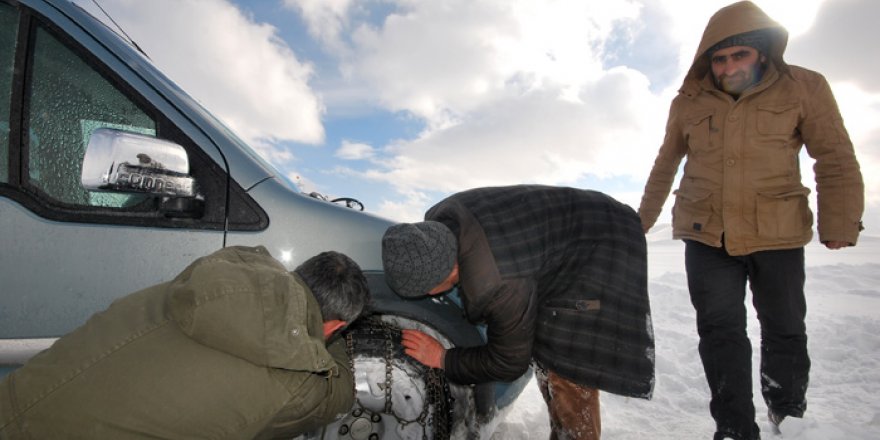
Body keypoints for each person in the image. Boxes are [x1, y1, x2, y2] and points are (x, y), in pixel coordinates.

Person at [638, 2, 864, 439]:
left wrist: (839, 223)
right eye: (719, 59)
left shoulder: (804, 87)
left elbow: (834, 156)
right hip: (706, 235)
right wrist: (639, 223)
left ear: (761, 52)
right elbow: (665, 165)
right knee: (720, 332)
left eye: (738, 55)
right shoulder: (688, 102)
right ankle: (734, 428)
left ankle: (789, 416)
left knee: (783, 329)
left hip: (776, 233)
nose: (727, 67)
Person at [0, 245, 370, 439]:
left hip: (18, 401)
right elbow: (338, 394)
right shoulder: (300, 382)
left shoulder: (215, 277)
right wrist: (334, 341)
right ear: (334, 324)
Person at [382, 185, 655, 440]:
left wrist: (443, 358)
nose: (430, 295)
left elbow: (509, 362)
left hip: (602, 244)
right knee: (541, 346)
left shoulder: (498, 281)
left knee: (567, 367)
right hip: (565, 234)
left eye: (429, 290)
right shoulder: (439, 223)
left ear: (451, 270)